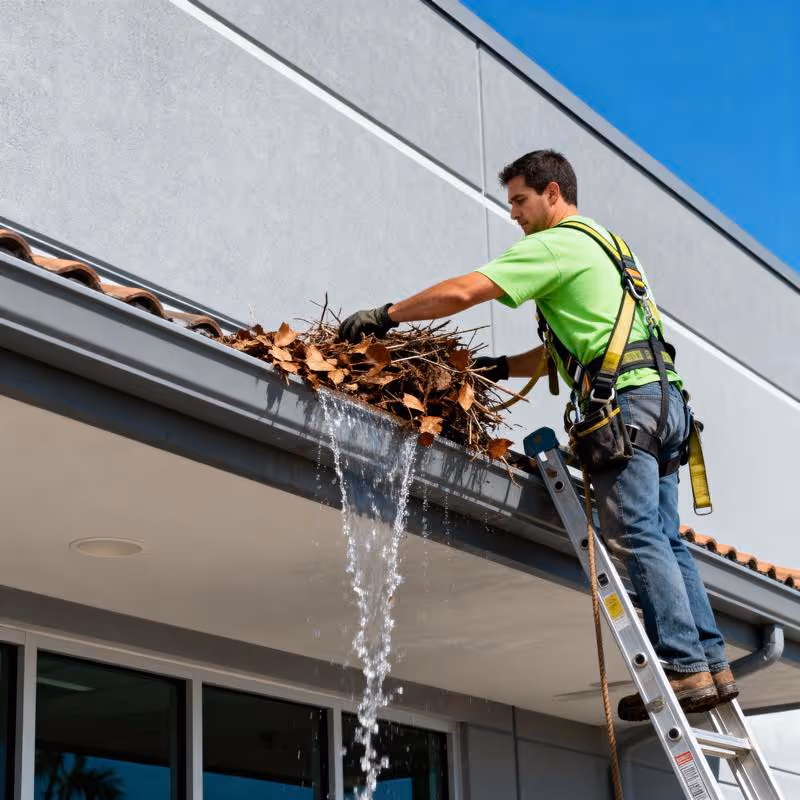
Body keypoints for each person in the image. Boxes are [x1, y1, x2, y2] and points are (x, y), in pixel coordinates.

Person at [338, 149, 738, 721]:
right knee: (665, 538)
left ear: (553, 193)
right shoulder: (608, 246)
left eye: (520, 200)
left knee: (633, 535)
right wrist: (501, 368)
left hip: (627, 408)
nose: (514, 214)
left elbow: (464, 291)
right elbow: (574, 349)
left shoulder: (554, 244)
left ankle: (681, 666)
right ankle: (712, 666)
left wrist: (386, 315)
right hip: (666, 406)